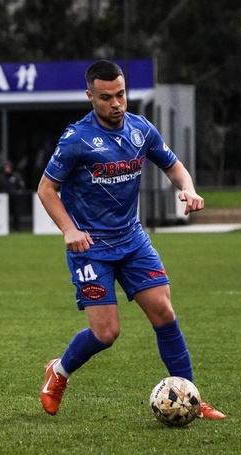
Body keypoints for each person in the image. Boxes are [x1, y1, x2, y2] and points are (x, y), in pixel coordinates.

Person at [36, 60, 225, 420]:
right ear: (90, 96)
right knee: (106, 333)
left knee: (164, 312)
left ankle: (190, 399)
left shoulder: (141, 129)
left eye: (120, 95)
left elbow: (173, 165)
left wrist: (188, 188)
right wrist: (69, 229)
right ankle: (58, 372)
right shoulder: (76, 139)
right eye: (106, 97)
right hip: (91, 248)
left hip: (133, 241)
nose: (116, 103)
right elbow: (46, 189)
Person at [0, 161, 25, 231]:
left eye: (8, 167)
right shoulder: (1, 177)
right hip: (4, 200)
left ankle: (16, 228)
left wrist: (18, 193)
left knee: (16, 214)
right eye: (6, 167)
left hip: (14, 199)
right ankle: (3, 228)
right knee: (4, 214)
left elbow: (21, 186)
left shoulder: (16, 176)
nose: (7, 169)